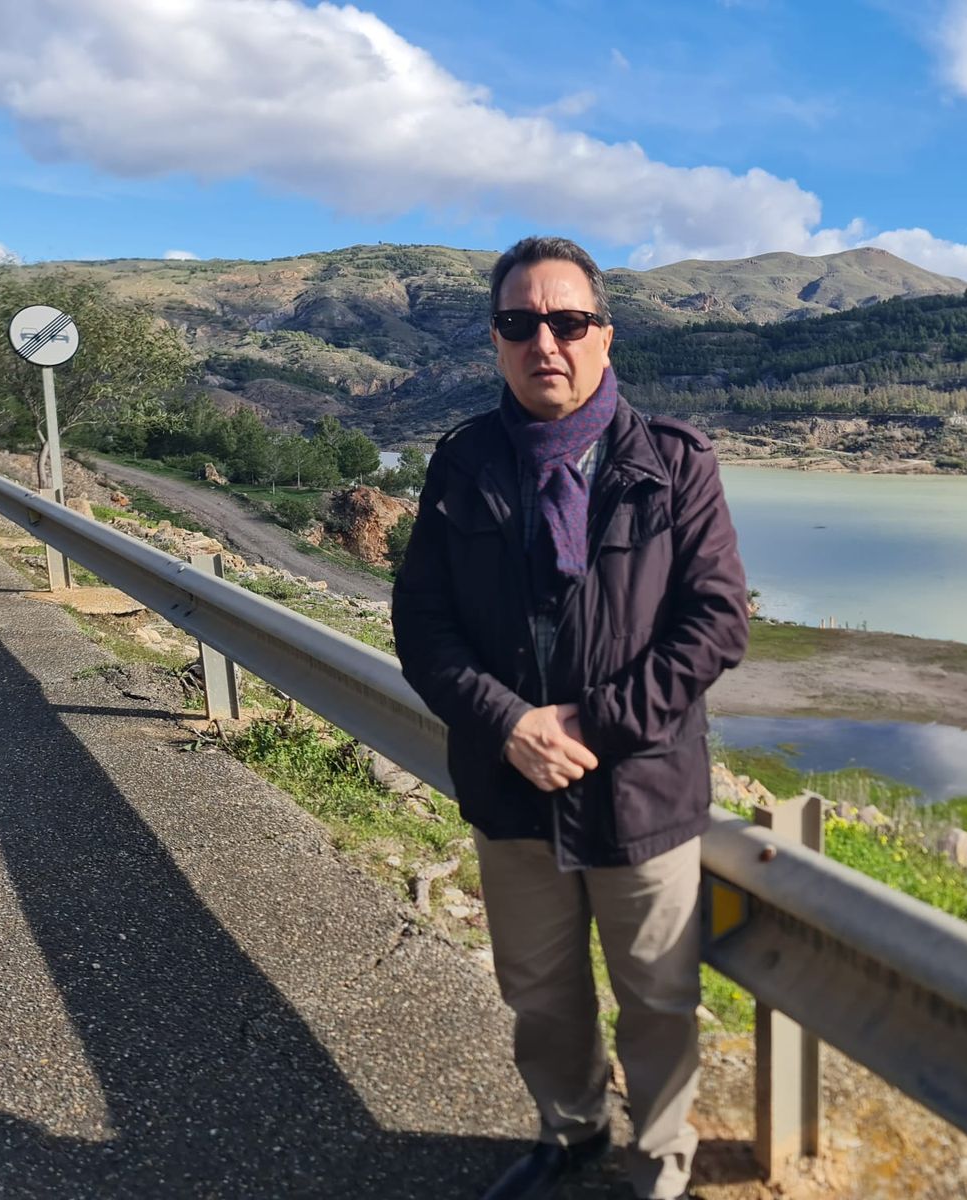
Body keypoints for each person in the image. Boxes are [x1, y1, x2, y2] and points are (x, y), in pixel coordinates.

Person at [391, 235, 749, 1200]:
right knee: (540, 995)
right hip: (511, 785)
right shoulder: (463, 461)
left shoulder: (673, 461)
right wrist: (509, 723)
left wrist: (593, 725)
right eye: (519, 323)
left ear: (605, 335)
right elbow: (422, 624)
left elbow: (716, 623)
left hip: (641, 792)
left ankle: (661, 1161)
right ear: (496, 339)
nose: (543, 342)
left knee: (658, 998)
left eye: (567, 321)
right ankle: (573, 1131)